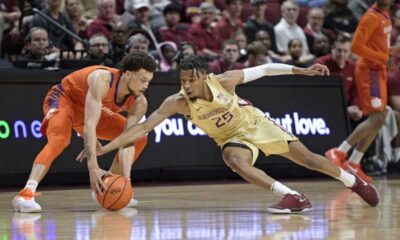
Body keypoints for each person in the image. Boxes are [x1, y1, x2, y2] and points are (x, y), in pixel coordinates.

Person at [85, 55, 380, 214]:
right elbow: (141, 128)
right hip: (231, 138)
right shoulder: (176, 102)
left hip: (255, 124)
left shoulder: (225, 81)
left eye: (190, 80)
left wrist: (302, 71)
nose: (185, 85)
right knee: (233, 159)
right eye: (182, 80)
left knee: (310, 160)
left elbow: (265, 69)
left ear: (202, 77)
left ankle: (355, 183)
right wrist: (104, 149)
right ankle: (292, 196)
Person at [12, 52, 157, 213]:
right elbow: (89, 124)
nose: (146, 86)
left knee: (139, 137)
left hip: (90, 111)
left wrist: (126, 181)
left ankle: (104, 186)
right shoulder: (102, 80)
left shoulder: (139, 102)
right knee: (60, 140)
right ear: (128, 73)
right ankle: (25, 194)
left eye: (149, 81)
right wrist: (93, 166)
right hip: (65, 99)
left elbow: (127, 140)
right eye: (142, 80)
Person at [325, 0, 400, 183]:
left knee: (381, 116)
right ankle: (339, 151)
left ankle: (354, 162)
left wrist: (391, 53)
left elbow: (377, 47)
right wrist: (383, 57)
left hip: (378, 69)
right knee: (377, 116)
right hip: (370, 72)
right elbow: (356, 47)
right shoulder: (371, 17)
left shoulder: (385, 15)